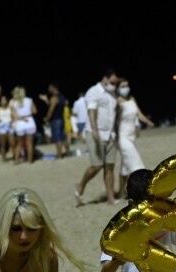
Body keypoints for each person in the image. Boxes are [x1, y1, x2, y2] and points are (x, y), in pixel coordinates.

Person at [76, 69, 119, 206]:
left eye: (116, 83)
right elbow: (92, 111)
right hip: (95, 133)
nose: (114, 85)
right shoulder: (93, 91)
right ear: (104, 78)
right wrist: (94, 129)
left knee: (110, 166)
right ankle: (81, 185)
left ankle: (110, 197)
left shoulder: (112, 94)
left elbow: (113, 114)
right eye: (112, 82)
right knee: (97, 165)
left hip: (110, 134)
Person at [114, 78, 155, 195]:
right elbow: (114, 121)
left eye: (126, 85)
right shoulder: (117, 103)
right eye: (122, 86)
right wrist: (115, 137)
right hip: (122, 137)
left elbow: (139, 114)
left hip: (132, 137)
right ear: (117, 88)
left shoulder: (132, 99)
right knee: (135, 161)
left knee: (125, 166)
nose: (125, 88)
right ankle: (142, 189)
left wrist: (148, 122)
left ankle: (122, 192)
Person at [40, 83, 70, 158]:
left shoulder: (54, 98)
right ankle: (68, 152)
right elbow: (55, 106)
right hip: (61, 119)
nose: (48, 90)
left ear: (54, 88)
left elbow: (51, 109)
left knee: (57, 138)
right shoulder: (62, 97)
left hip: (55, 120)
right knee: (63, 137)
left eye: (50, 88)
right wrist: (46, 100)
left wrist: (47, 118)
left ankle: (59, 155)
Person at [9, 86, 37, 164]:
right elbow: (34, 111)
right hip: (29, 121)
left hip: (20, 123)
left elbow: (13, 116)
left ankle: (17, 160)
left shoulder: (14, 103)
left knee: (19, 143)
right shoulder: (29, 100)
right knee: (29, 143)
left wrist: (21, 117)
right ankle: (30, 160)